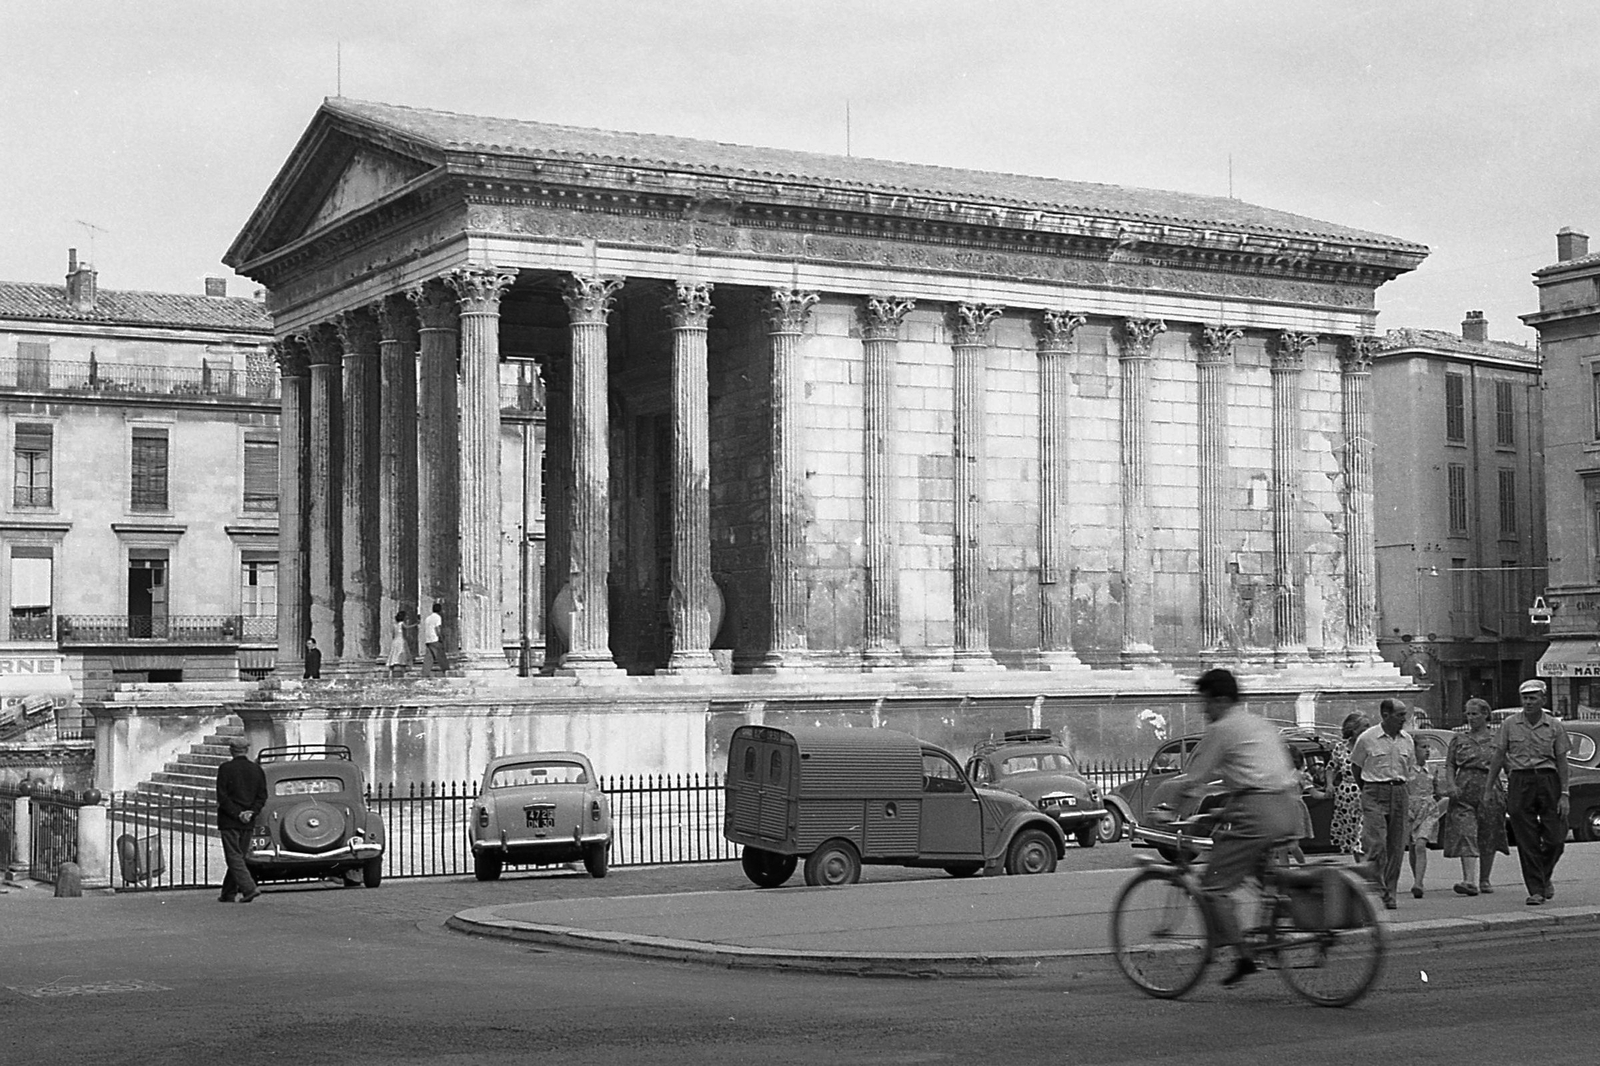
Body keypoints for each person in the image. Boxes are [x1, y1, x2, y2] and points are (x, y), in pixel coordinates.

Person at [1165, 668, 1301, 987]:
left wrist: (1170, 811)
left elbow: (1195, 779)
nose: (1204, 710)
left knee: (1213, 886)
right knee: (1261, 876)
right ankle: (1272, 925)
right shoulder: (1260, 723)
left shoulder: (1222, 729)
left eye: (1206, 702)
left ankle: (1243, 956)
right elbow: (1257, 776)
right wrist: (1222, 811)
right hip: (1288, 808)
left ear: (1221, 700)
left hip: (1257, 814)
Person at [1485, 679, 1571, 906]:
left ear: (1543, 699)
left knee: (1556, 838)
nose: (1528, 702)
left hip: (1548, 779)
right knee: (1527, 839)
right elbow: (1498, 756)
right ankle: (1536, 890)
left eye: (1533, 698)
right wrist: (1489, 787)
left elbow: (1562, 761)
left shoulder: (1554, 726)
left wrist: (1564, 794)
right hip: (1520, 780)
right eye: (1525, 698)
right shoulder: (1510, 724)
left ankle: (1543, 875)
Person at [1350, 698, 1415, 910]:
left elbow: (1409, 768)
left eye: (1404, 714)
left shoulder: (1407, 740)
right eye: (1399, 714)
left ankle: (1391, 891)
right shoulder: (1367, 738)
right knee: (1376, 843)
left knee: (1396, 846)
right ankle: (1377, 889)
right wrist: (1367, 790)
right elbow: (1356, 767)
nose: (1404, 719)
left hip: (1399, 791)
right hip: (1374, 791)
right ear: (1385, 715)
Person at [1440, 697, 1509, 896]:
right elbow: (1450, 764)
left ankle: (1484, 879)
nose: (1471, 718)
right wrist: (1451, 784)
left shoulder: (1497, 739)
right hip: (1463, 790)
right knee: (1466, 832)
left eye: (1475, 714)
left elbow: (1508, 764)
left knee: (1488, 833)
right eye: (1468, 714)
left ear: (1485, 714)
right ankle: (1469, 880)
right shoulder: (1459, 739)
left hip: (1490, 789)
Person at [216, 735, 267, 903]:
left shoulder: (225, 768)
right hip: (248, 820)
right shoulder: (257, 769)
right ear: (246, 750)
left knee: (234, 857)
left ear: (231, 750)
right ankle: (228, 893)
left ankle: (249, 888)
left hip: (230, 819)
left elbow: (222, 797)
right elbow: (262, 796)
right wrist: (251, 812)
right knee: (239, 856)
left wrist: (237, 813)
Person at [1404, 736, 1448, 898]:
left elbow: (1438, 791)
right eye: (1423, 747)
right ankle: (1417, 877)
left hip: (1428, 811)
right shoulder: (1407, 770)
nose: (1427, 750)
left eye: (1428, 747)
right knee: (1413, 846)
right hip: (1411, 811)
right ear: (1414, 750)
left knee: (1421, 844)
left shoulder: (1432, 769)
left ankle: (1418, 883)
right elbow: (1403, 790)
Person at [1326, 712, 1369, 863]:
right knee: (1352, 835)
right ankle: (1361, 865)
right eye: (1365, 727)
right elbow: (1331, 767)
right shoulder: (1341, 748)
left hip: (1365, 792)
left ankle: (1366, 865)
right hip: (1346, 798)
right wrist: (1330, 784)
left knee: (1363, 833)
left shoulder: (1369, 746)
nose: (1368, 730)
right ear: (1354, 729)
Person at [421, 602, 446, 677]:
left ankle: (425, 673)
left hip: (428, 639)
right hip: (435, 639)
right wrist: (440, 637)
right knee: (441, 655)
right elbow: (437, 628)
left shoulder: (428, 618)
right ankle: (446, 670)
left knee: (429, 658)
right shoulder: (437, 617)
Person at [386, 610, 410, 679]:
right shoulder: (402, 623)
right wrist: (415, 624)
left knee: (393, 655)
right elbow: (406, 627)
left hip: (395, 641)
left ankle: (390, 672)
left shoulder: (395, 625)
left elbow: (393, 634)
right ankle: (404, 672)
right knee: (402, 655)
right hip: (401, 641)